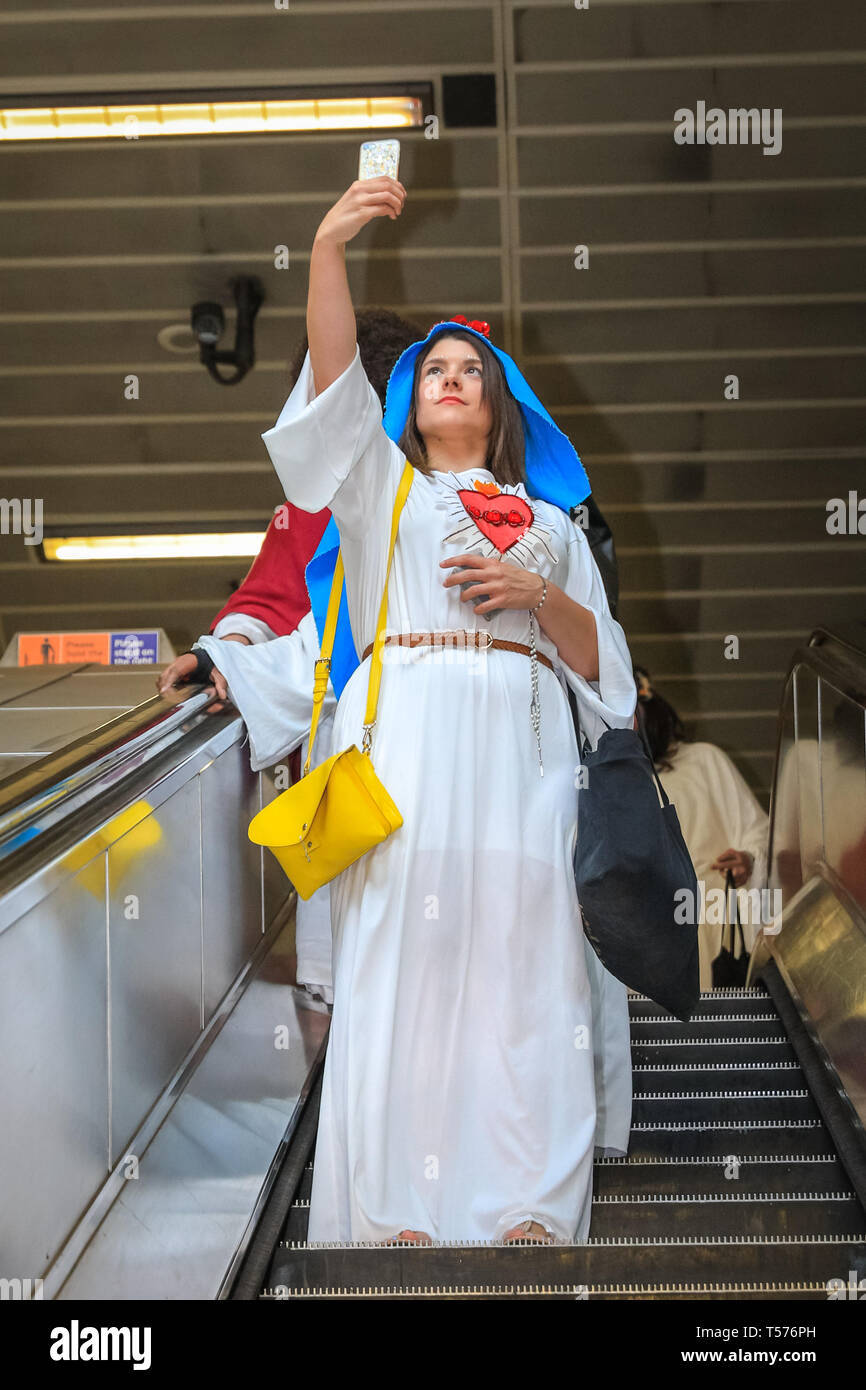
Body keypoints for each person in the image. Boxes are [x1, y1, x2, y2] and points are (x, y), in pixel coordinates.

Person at [199, 173, 636, 1248]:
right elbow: (336, 384)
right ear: (412, 400)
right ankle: (402, 1214)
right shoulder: (378, 493)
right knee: (404, 974)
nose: (448, 380)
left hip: (526, 766)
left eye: (467, 370)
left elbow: (610, 674)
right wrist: (329, 250)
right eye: (432, 369)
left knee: (527, 976)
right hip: (411, 764)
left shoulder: (551, 525)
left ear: (497, 405)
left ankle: (530, 1208)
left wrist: (541, 596)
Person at [159, 311, 424, 1002]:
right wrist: (228, 656)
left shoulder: (485, 499)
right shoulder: (314, 505)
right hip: (358, 780)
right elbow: (284, 614)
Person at [635, 666, 769, 989]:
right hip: (648, 937)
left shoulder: (705, 760)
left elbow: (760, 833)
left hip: (713, 921)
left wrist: (749, 860)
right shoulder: (605, 782)